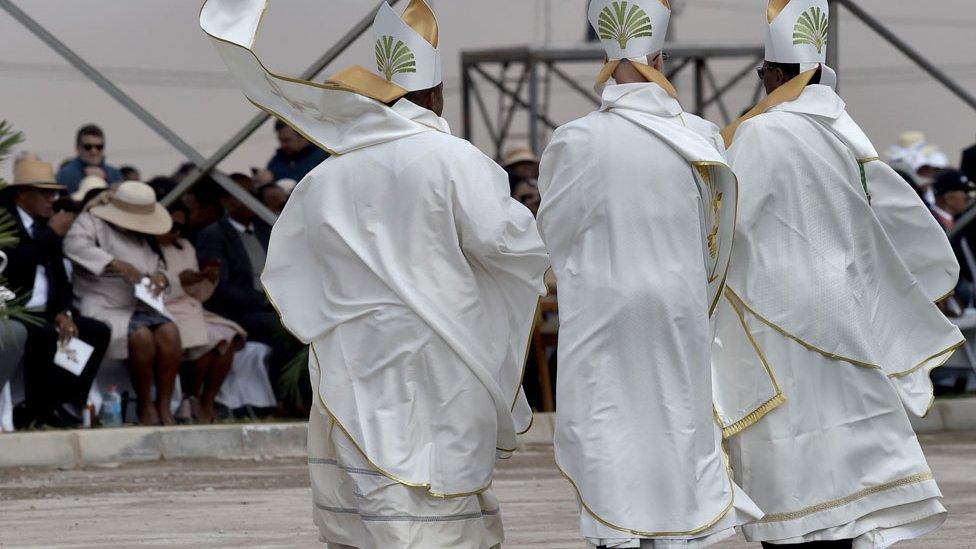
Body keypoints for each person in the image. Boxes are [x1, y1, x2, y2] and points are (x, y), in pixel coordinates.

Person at [202, 0, 550, 547]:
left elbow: (290, 268)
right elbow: (507, 244)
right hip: (441, 348)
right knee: (433, 488)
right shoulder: (455, 159)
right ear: (435, 95)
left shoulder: (328, 175)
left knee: (370, 493)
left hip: (354, 352)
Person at [715, 1, 962, 546]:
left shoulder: (756, 136)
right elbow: (901, 219)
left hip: (774, 309)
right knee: (851, 449)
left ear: (777, 74)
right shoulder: (846, 136)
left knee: (794, 453)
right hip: (846, 308)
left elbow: (726, 224)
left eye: (762, 74)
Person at [538, 1, 762, 547]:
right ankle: (677, 532)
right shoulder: (702, 135)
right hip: (678, 303)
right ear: (661, 57)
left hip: (605, 305)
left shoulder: (575, 140)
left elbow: (553, 234)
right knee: (675, 417)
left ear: (605, 59)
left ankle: (616, 534)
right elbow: (721, 232)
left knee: (607, 418)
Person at [1, 159, 110, 429]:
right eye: (44, 193)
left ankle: (68, 404)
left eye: (54, 193)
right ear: (22, 194)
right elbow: (14, 265)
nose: (52, 199)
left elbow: (60, 277)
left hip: (47, 311)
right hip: (16, 308)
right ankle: (36, 409)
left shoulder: (44, 226)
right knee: (43, 336)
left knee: (95, 331)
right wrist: (50, 234)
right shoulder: (7, 222)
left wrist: (64, 311)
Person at [64, 181, 183, 426]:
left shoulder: (145, 237)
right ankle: (145, 406)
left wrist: (161, 278)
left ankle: (163, 404)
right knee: (141, 337)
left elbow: (160, 268)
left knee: (170, 333)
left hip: (143, 304)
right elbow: (73, 245)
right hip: (103, 304)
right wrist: (114, 263)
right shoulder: (91, 222)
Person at [160, 203, 245, 423]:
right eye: (171, 225)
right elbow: (152, 287)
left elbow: (197, 294)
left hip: (191, 305)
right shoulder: (148, 247)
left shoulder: (185, 246)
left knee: (229, 335)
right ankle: (191, 398)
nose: (175, 232)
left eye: (180, 226)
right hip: (165, 308)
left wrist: (206, 278)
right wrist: (179, 282)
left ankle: (207, 399)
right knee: (207, 341)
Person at [55, 125, 124, 194]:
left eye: (99, 147)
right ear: (77, 148)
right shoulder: (65, 175)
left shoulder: (114, 174)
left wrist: (105, 180)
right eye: (88, 147)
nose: (94, 151)